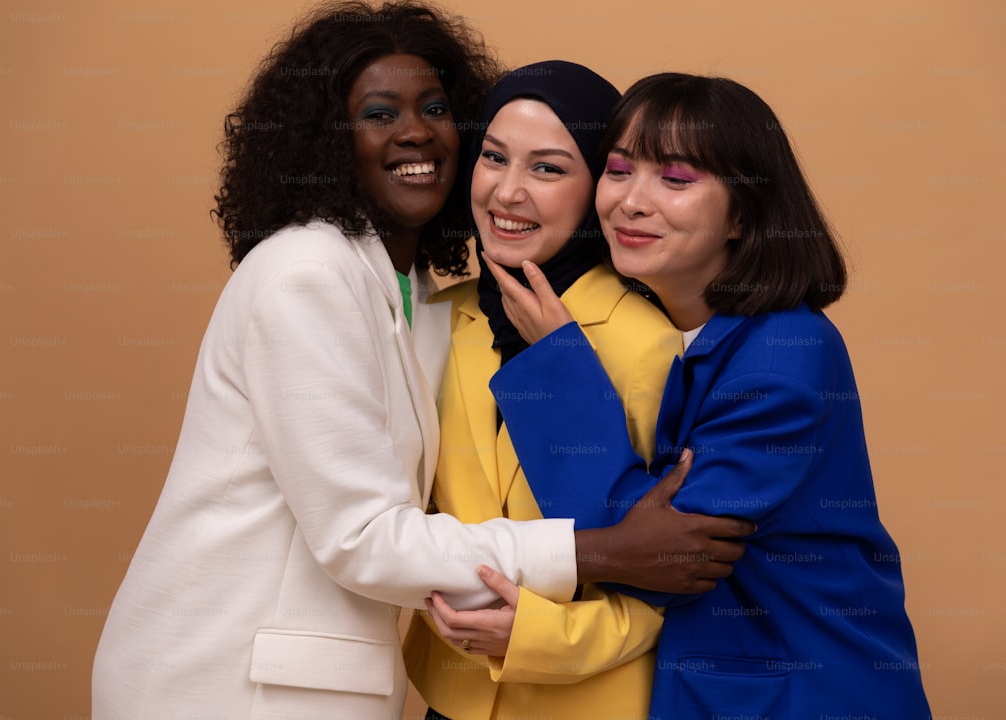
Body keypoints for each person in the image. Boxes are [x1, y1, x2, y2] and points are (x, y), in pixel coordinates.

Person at [91, 7, 753, 719]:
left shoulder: (430, 302)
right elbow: (365, 537)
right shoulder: (308, 277)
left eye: (436, 109)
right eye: (380, 112)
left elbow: (684, 571)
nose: (414, 131)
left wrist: (555, 622)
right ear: (327, 141)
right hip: (227, 681)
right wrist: (600, 551)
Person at [486, 73, 932, 720]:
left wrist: (560, 365)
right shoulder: (684, 335)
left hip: (807, 697)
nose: (632, 202)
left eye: (675, 179)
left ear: (743, 215)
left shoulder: (786, 355)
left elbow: (665, 558)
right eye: (618, 170)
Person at [401, 61, 686, 720]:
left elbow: (676, 573)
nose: (507, 192)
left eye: (548, 169)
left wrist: (535, 635)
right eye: (493, 158)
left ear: (598, 191)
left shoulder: (651, 343)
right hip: (449, 692)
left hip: (591, 701)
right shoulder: (440, 317)